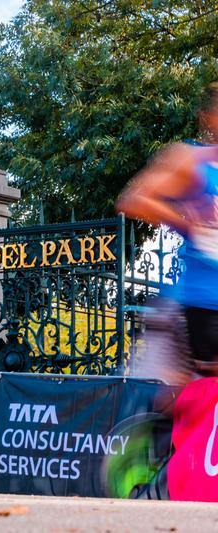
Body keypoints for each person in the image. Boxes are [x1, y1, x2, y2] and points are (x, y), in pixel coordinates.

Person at [117, 82, 218, 383]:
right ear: (210, 117)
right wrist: (190, 224)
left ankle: (164, 422)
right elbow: (134, 199)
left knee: (189, 402)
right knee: (204, 401)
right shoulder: (191, 159)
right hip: (207, 302)